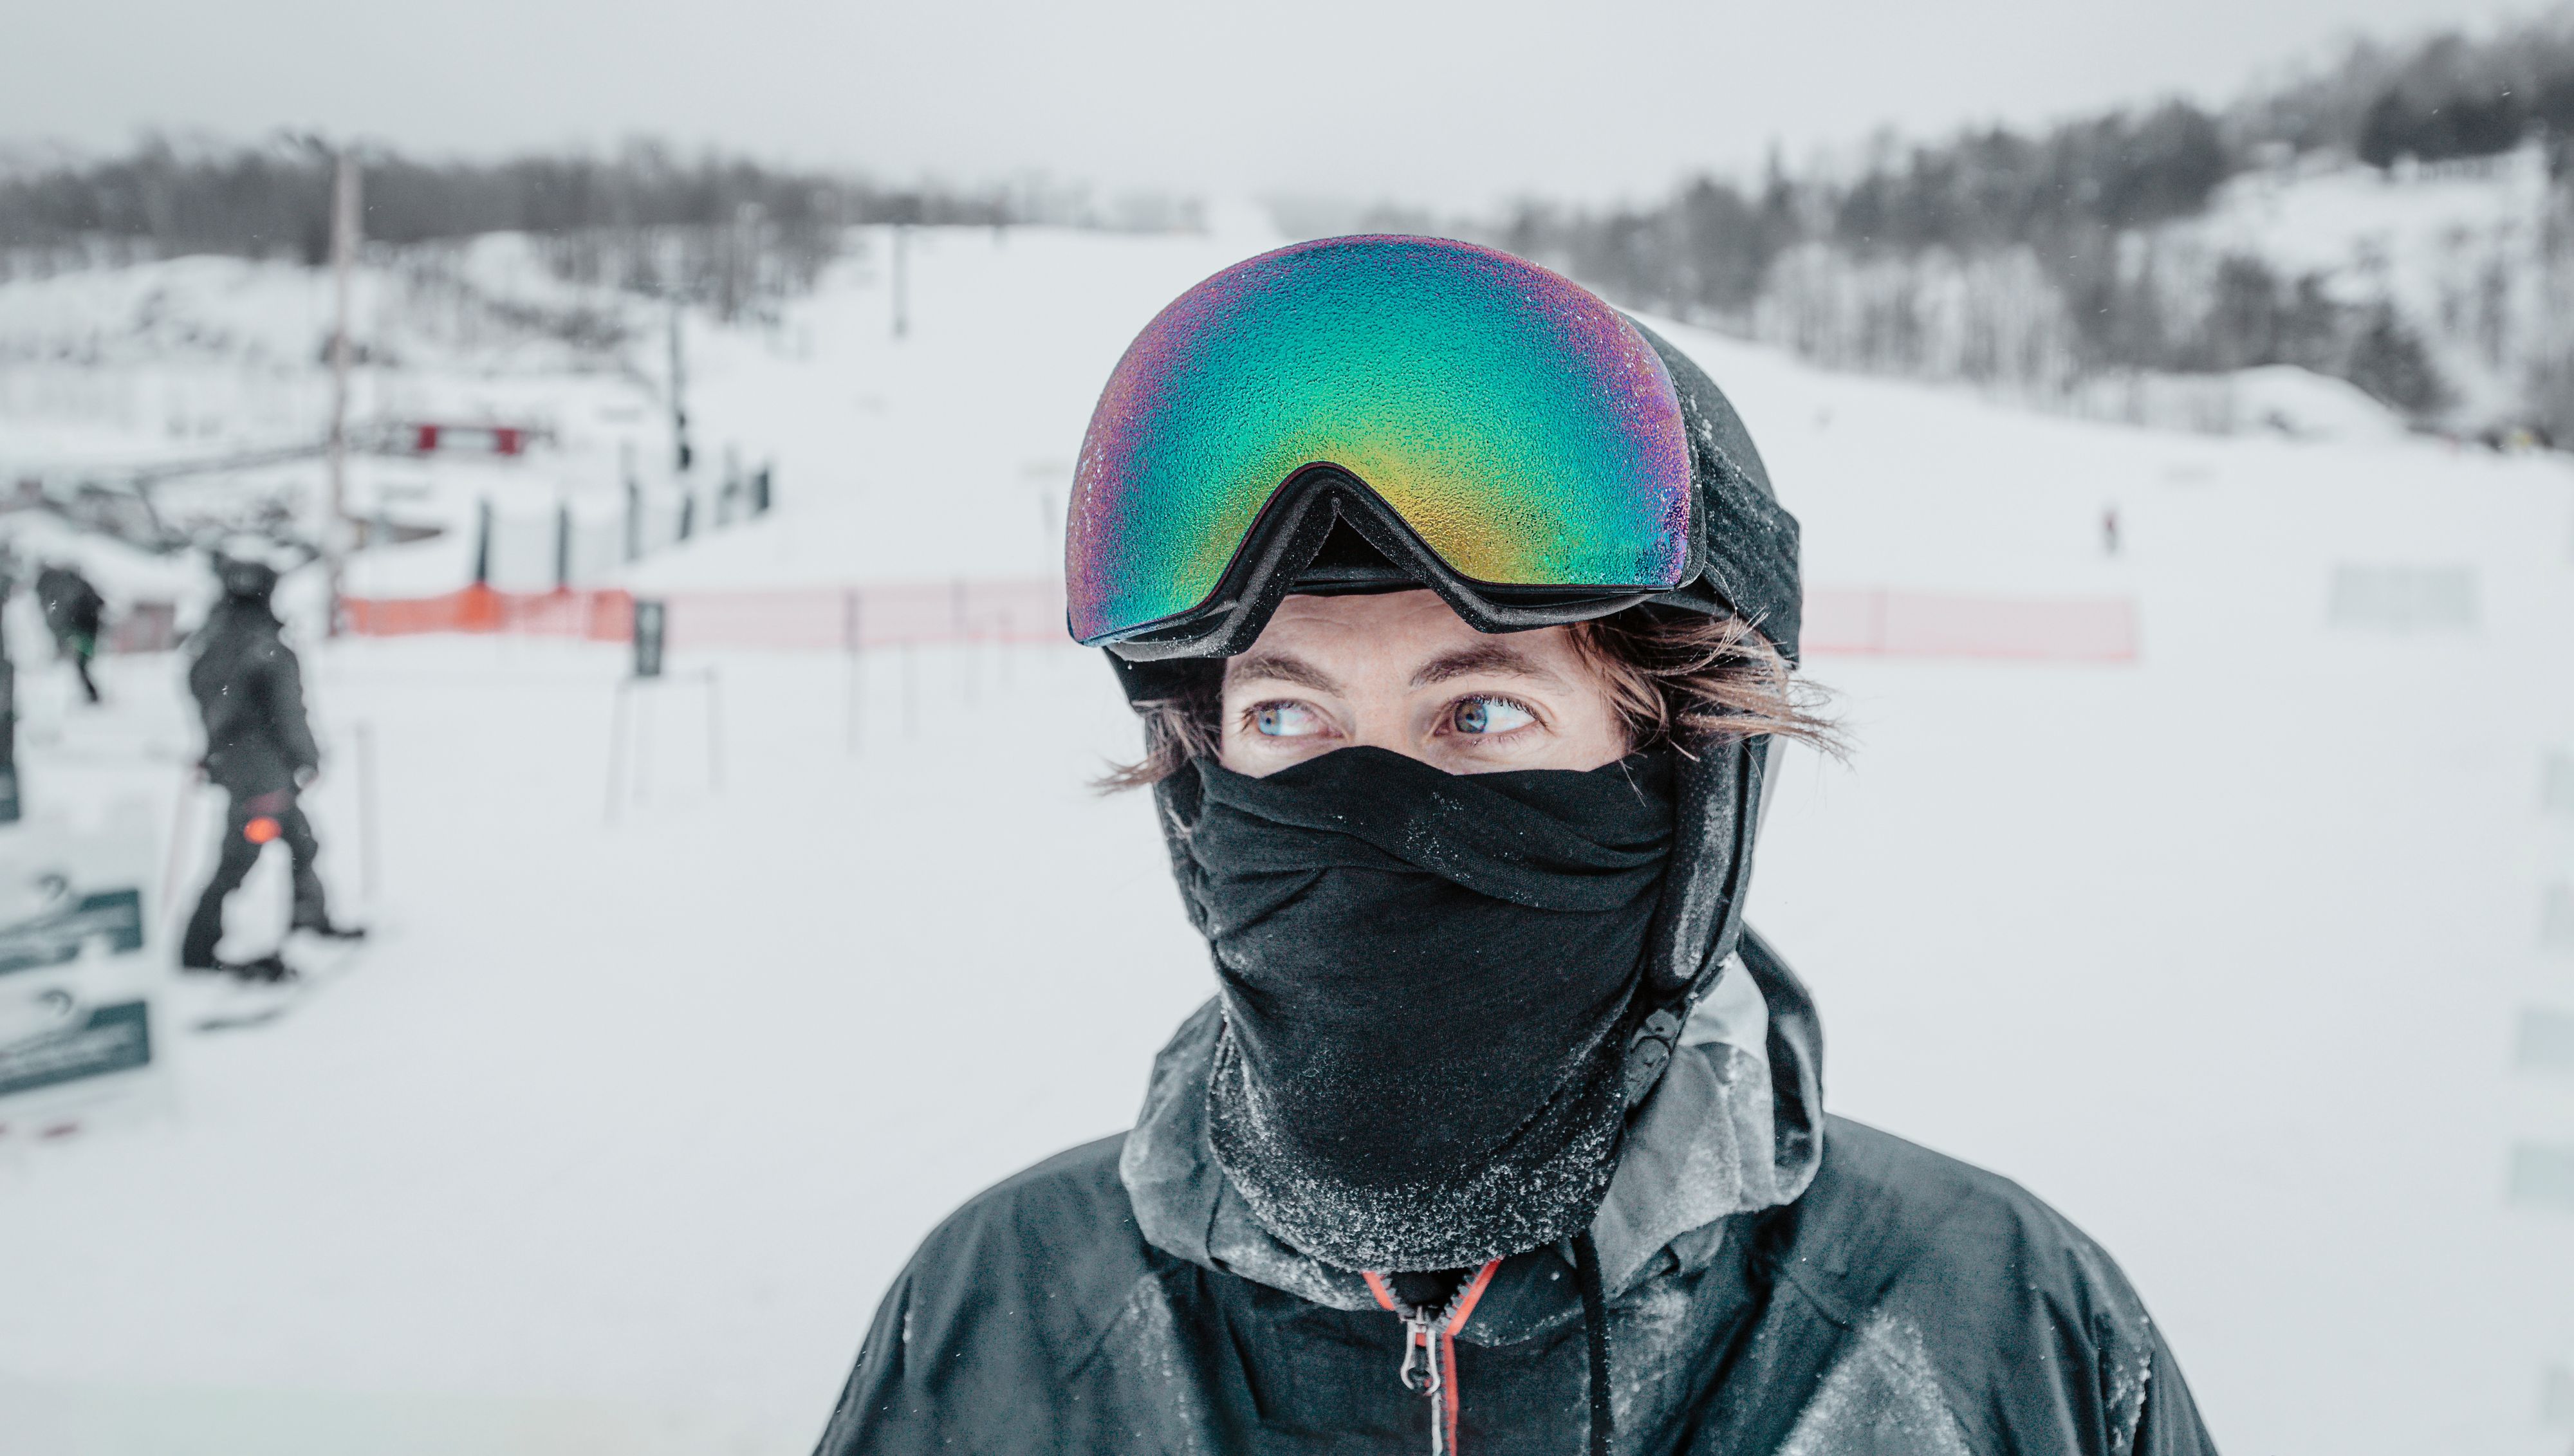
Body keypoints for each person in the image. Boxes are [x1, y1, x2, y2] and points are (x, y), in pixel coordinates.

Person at [815, 237, 2215, 1455]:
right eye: (1286, 713)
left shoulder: (2001, 1338)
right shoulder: (1002, 1318)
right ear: (1200, 784)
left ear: (1685, 785)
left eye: (1481, 711)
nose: (1366, 801)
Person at [180, 549, 362, 979]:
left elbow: (206, 699)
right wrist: (306, 757)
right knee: (239, 856)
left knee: (301, 840)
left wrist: (220, 748)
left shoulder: (211, 640)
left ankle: (308, 917)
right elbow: (288, 710)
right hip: (264, 773)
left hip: (240, 764)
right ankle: (198, 949)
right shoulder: (263, 646)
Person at [34, 558, 105, 704]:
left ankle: (93, 695)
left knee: (81, 665)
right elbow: (100, 603)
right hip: (89, 631)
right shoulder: (83, 587)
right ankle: (91, 694)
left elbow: (65, 611)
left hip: (83, 632)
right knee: (82, 664)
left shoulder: (73, 590)